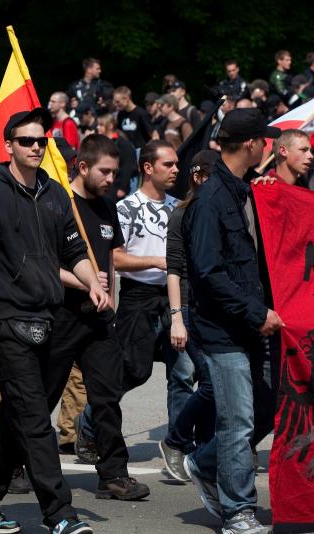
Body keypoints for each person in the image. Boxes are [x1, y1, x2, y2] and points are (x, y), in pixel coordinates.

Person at [0, 108, 109, 534]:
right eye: (27, 141)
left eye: (42, 141)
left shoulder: (55, 192)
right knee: (36, 421)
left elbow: (73, 251)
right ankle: (60, 514)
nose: (36, 147)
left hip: (48, 317)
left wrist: (90, 283)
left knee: (18, 418)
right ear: (9, 145)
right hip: (6, 318)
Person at [182, 108, 282, 534]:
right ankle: (238, 510)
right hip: (224, 330)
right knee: (237, 422)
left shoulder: (243, 191)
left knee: (265, 413)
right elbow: (208, 272)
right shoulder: (209, 201)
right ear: (251, 144)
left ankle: (203, 462)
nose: (270, 145)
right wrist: (256, 312)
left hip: (248, 325)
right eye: (266, 139)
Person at [49, 134, 150, 500]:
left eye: (115, 172)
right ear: (82, 166)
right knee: (42, 397)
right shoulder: (59, 203)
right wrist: (80, 280)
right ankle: (12, 464)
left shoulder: (108, 206)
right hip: (61, 316)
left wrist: (109, 297)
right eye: (104, 172)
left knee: (106, 398)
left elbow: (108, 257)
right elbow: (45, 263)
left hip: (99, 319)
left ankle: (113, 474)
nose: (111, 179)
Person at [75, 141, 181, 465]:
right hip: (138, 299)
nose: (176, 169)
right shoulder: (126, 208)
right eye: (169, 164)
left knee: (184, 373)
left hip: (174, 298)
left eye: (177, 164)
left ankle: (179, 444)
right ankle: (91, 419)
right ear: (148, 168)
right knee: (135, 370)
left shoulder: (179, 207)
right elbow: (117, 258)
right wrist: (158, 261)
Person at [158, 149, 219, 482]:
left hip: (221, 315)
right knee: (198, 380)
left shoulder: (225, 209)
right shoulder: (181, 215)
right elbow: (174, 269)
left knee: (215, 383)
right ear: (198, 178)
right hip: (190, 313)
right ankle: (176, 440)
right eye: (214, 175)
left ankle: (204, 448)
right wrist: (177, 317)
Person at [95, 114, 136, 199]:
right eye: (98, 125)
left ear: (110, 126)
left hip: (117, 186)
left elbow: (127, 166)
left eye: (101, 125)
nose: (98, 127)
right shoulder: (101, 142)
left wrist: (123, 188)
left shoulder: (122, 144)